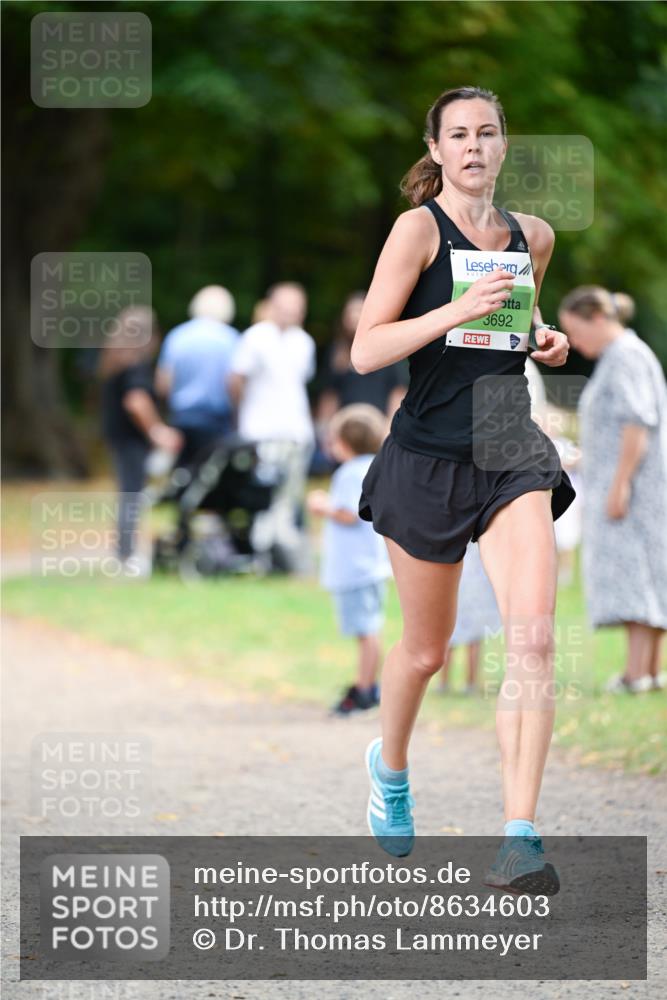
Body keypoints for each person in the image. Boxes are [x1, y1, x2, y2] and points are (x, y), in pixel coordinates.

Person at [353, 86, 575, 894]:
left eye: (487, 132)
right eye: (459, 135)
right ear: (437, 150)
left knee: (533, 638)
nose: (475, 146)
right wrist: (450, 310)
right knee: (424, 650)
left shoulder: (531, 236)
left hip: (509, 445)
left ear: (504, 146)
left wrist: (543, 339)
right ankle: (391, 767)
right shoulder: (416, 230)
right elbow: (367, 349)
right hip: (425, 456)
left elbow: (516, 324)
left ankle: (519, 835)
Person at [559, 286, 667, 693]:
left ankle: (636, 673)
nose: (577, 342)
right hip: (628, 481)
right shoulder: (624, 355)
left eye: (577, 330)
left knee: (635, 574)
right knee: (647, 573)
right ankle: (649, 670)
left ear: (598, 319)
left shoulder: (624, 357)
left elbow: (636, 423)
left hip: (634, 488)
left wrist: (619, 484)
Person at [307, 404, 391, 714]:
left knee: (366, 630)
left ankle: (365, 688)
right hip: (372, 564)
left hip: (356, 568)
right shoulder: (377, 466)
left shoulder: (349, 472)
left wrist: (321, 505)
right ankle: (367, 682)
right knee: (369, 628)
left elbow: (348, 513)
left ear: (345, 442)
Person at [228, 282, 316, 571]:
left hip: (296, 431)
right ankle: (260, 551)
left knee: (289, 498)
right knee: (263, 493)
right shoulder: (255, 338)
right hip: (261, 431)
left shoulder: (304, 342)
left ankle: (283, 552)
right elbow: (236, 381)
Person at [99, 306, 182, 568]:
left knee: (128, 493)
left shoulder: (115, 362)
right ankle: (126, 555)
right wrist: (157, 430)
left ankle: (124, 552)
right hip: (131, 440)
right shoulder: (137, 365)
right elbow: (136, 401)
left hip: (117, 437)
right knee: (132, 494)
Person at [155, 285, 239, 466]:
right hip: (217, 418)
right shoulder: (231, 338)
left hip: (182, 415)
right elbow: (234, 382)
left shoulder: (177, 336)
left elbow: (163, 382)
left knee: (183, 472)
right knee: (212, 472)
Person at [437, 540, 502, 695]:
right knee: (473, 637)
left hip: (456, 579)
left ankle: (444, 682)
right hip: (477, 583)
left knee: (450, 634)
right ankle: (470, 683)